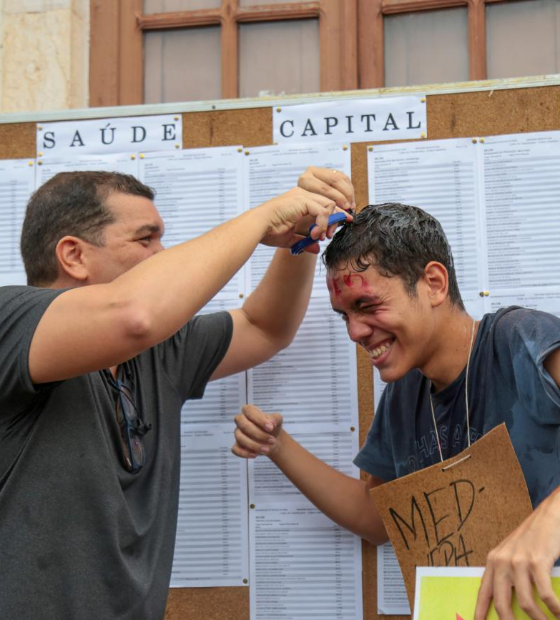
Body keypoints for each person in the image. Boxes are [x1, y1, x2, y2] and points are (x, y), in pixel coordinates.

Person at [0, 167, 354, 620]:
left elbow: (266, 327)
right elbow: (134, 315)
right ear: (73, 255)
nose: (161, 253)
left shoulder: (157, 352)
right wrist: (264, 218)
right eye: (145, 239)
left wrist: (301, 241)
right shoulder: (12, 322)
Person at [232, 202, 560, 620]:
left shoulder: (518, 339)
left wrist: (550, 520)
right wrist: (277, 446)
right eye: (344, 316)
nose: (354, 331)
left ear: (434, 284)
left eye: (367, 306)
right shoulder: (405, 394)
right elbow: (376, 517)